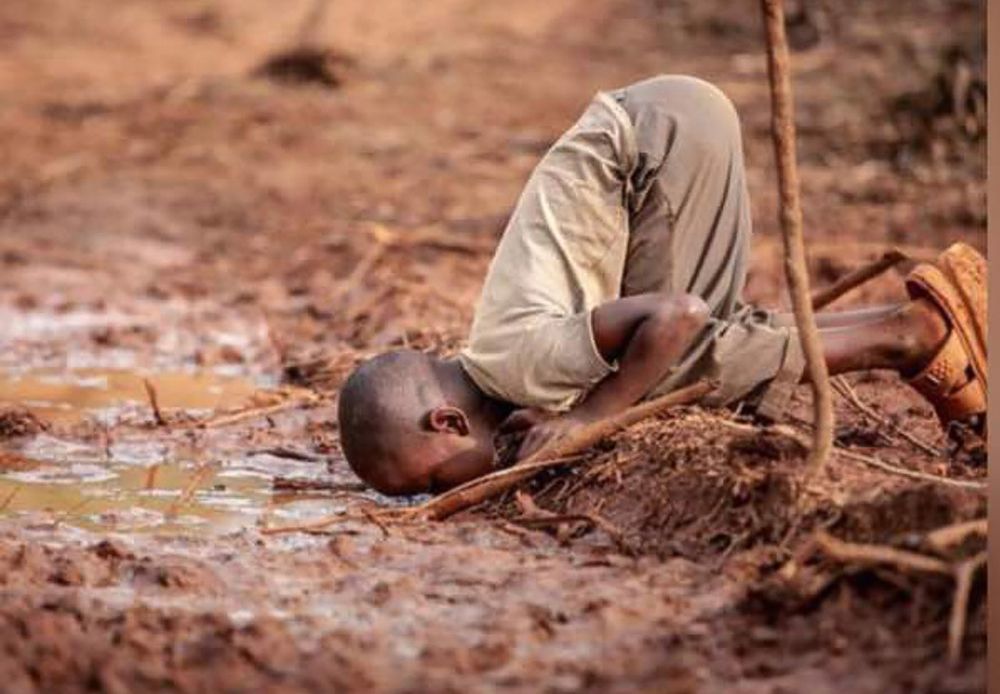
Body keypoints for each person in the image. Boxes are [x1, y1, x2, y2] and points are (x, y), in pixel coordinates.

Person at [336, 75, 987, 496]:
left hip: (655, 146)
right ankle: (934, 322)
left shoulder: (519, 365)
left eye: (426, 483)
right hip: (665, 122)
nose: (437, 496)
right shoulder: (506, 363)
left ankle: (914, 336)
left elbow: (676, 314)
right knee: (687, 354)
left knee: (675, 365)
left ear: (447, 422)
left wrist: (593, 416)